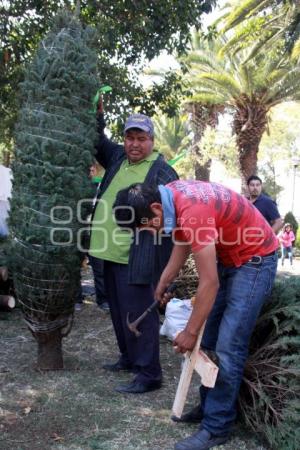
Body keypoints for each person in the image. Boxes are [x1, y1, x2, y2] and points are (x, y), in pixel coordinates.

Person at [113, 180, 278, 450]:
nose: (149, 233)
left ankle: (217, 427)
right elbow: (182, 240)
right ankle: (210, 406)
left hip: (255, 261)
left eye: (147, 226)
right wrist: (165, 279)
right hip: (231, 259)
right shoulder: (171, 196)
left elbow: (209, 283)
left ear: (156, 207)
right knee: (210, 340)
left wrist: (190, 332)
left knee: (227, 347)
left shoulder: (192, 211)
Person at [88, 104, 178, 394]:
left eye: (141, 138)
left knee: (139, 315)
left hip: (137, 257)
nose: (135, 144)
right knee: (118, 311)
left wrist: (166, 268)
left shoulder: (162, 171)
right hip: (106, 253)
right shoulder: (117, 158)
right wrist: (97, 114)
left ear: (152, 141)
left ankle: (149, 373)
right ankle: (128, 358)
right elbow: (96, 138)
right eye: (130, 138)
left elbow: (172, 218)